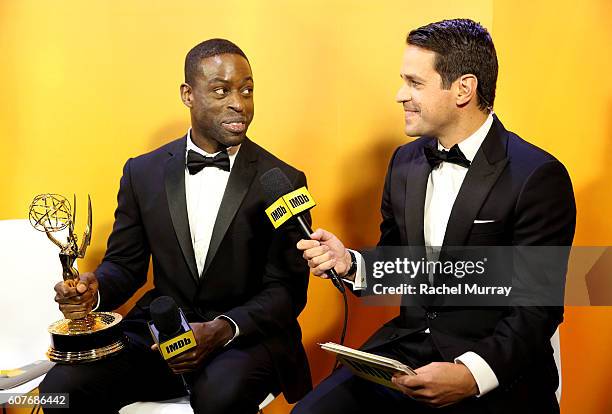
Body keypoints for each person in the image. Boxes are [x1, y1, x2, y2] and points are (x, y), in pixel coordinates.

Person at [293, 19, 575, 414]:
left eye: (414, 83)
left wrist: (468, 375)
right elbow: (400, 261)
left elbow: (536, 310)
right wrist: (351, 264)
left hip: (494, 366)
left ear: (464, 88)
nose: (399, 95)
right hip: (406, 354)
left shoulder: (538, 176)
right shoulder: (404, 162)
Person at [39, 38, 312, 414]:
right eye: (221, 91)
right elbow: (125, 266)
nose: (240, 103)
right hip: (160, 334)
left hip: (243, 339)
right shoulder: (142, 172)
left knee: (218, 398)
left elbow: (287, 291)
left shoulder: (281, 180)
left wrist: (221, 328)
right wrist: (93, 290)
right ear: (188, 94)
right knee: (63, 388)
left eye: (247, 90)